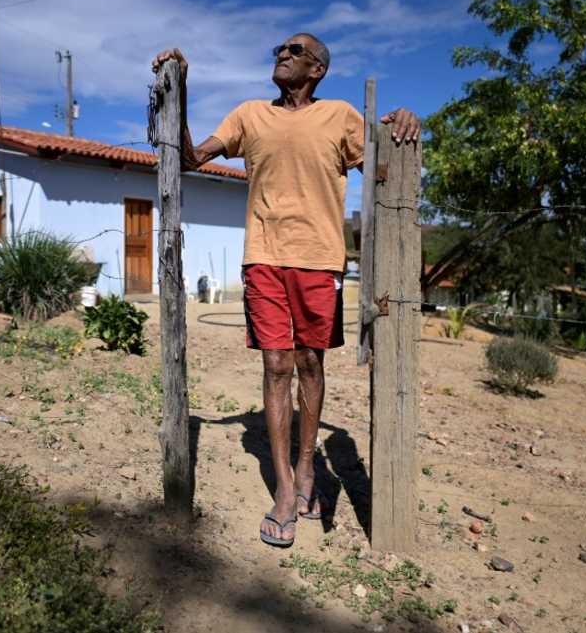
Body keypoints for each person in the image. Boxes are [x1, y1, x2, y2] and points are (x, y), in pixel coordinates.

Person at [151, 34, 420, 547]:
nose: (282, 53)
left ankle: (307, 469)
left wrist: (406, 123)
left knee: (309, 364)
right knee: (276, 365)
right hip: (264, 258)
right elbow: (189, 156)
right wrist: (180, 87)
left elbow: (385, 172)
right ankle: (282, 489)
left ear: (317, 69)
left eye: (294, 50)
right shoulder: (250, 115)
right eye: (279, 48)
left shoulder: (340, 116)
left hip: (319, 260)